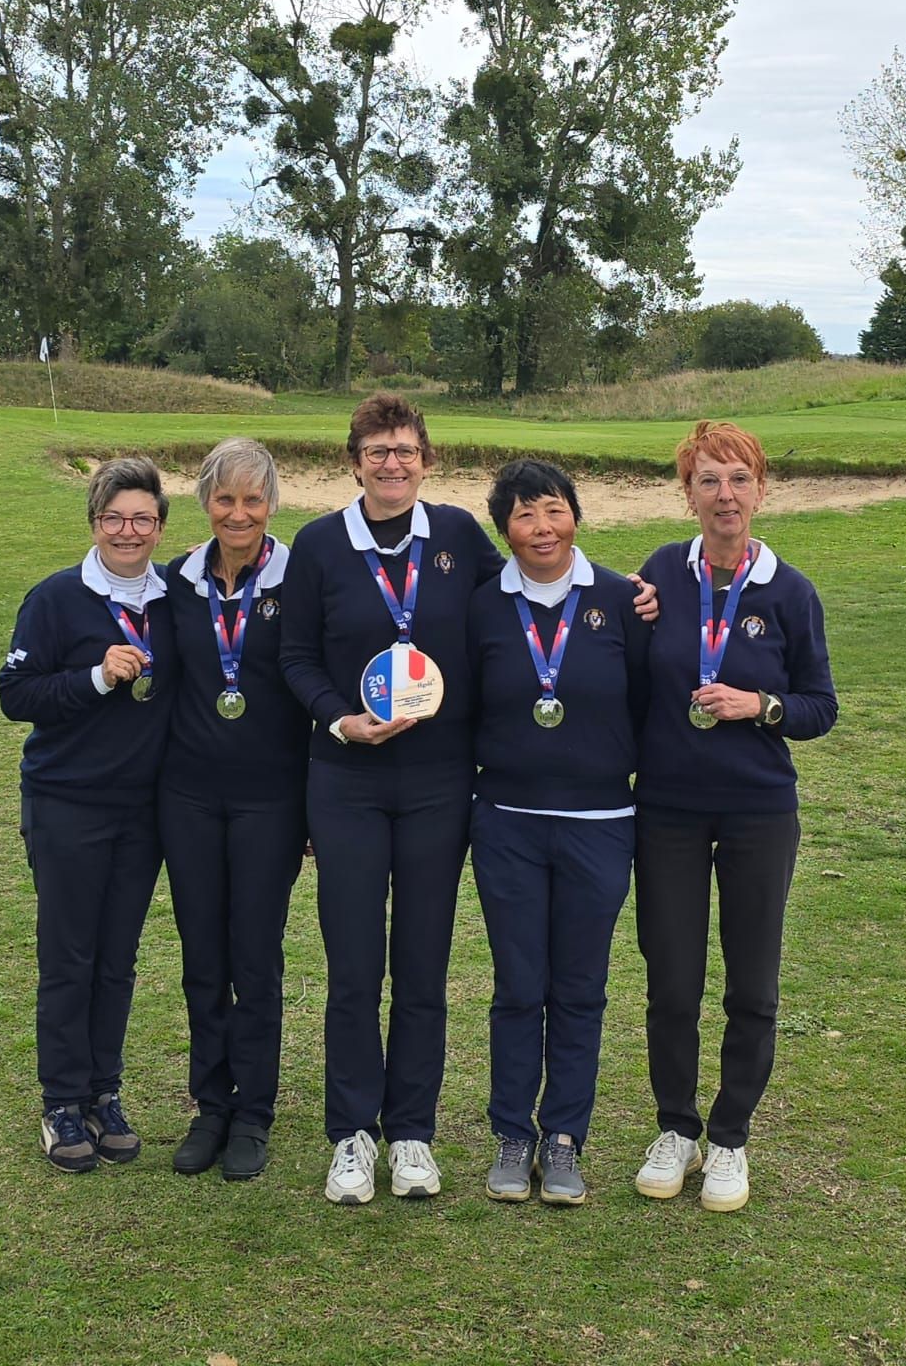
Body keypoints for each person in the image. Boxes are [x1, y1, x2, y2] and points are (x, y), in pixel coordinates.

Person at [281, 394, 656, 1204]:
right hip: (345, 778)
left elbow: (535, 581)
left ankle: (411, 1133)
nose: (392, 463)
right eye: (377, 451)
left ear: (426, 460)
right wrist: (338, 719)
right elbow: (295, 655)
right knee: (353, 966)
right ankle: (351, 1133)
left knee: (422, 963)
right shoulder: (317, 545)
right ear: (354, 461)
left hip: (440, 783)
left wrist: (629, 591)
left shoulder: (454, 537)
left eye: (406, 451)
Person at [631, 420, 837, 1212]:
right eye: (709, 480)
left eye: (739, 478)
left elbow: (821, 705)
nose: (725, 495)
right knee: (672, 980)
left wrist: (763, 705)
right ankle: (676, 1127)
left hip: (758, 809)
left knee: (752, 985)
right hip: (669, 809)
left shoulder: (791, 591)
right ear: (688, 493)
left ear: (762, 489)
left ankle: (730, 1138)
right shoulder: (658, 574)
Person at [467, 460, 650, 1207]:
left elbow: (647, 702)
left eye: (553, 510)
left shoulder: (624, 601)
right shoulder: (482, 608)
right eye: (523, 516)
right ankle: (513, 1134)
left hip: (600, 824)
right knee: (518, 987)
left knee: (579, 987)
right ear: (503, 531)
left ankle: (565, 1137)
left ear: (576, 514)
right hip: (507, 822)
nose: (541, 528)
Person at [0, 456, 175, 1172]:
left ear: (160, 526)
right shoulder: (57, 598)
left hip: (144, 812)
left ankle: (104, 1092)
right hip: (67, 802)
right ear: (93, 523)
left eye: (141, 518)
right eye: (113, 518)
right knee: (69, 956)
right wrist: (95, 678)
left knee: (117, 960)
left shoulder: (174, 599)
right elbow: (16, 695)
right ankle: (61, 1102)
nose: (127, 531)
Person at [159, 438, 309, 1183]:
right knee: (202, 959)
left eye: (253, 500)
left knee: (255, 956)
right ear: (205, 504)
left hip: (270, 800)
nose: (239, 514)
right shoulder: (175, 583)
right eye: (225, 499)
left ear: (272, 505)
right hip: (188, 797)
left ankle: (254, 1112)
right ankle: (210, 1104)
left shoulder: (299, 578)